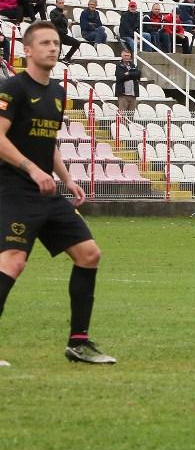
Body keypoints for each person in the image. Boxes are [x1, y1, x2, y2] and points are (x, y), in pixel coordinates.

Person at [0, 22, 116, 367]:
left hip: (46, 191)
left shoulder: (58, 92)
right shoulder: (13, 89)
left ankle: (78, 343)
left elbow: (47, 142)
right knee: (13, 261)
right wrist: (31, 169)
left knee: (89, 254)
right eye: (45, 43)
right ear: (28, 50)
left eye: (56, 42)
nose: (53, 48)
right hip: (14, 189)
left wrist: (66, 178)